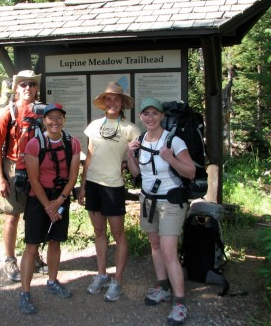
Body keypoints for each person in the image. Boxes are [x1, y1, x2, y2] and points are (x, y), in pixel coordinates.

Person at [126, 97, 195, 326]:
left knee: (168, 252)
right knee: (155, 247)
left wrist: (171, 159)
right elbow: (137, 173)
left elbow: (191, 172)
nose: (150, 118)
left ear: (162, 116)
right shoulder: (140, 140)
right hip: (148, 201)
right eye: (146, 114)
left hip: (171, 202)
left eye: (155, 113)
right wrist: (129, 155)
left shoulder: (174, 141)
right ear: (141, 117)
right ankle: (163, 286)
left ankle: (180, 302)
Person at [78, 81, 140, 302]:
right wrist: (83, 185)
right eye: (108, 99)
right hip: (93, 184)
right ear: (104, 103)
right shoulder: (94, 126)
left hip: (114, 186)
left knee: (118, 234)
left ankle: (118, 281)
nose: (112, 102)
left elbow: (136, 160)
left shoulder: (131, 129)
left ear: (122, 103)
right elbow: (90, 155)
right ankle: (102, 274)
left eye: (116, 99)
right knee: (99, 232)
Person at [18, 103, 81, 314]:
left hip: (60, 199)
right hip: (39, 200)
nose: (55, 121)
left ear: (64, 119)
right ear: (44, 121)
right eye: (50, 118)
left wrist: (60, 200)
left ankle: (52, 281)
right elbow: (34, 180)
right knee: (32, 245)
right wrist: (48, 207)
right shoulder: (34, 144)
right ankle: (25, 293)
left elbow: (73, 176)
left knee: (55, 242)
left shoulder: (73, 143)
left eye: (59, 117)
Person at [0, 70, 47, 282]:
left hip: (38, 168)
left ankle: (32, 256)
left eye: (32, 84)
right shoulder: (7, 113)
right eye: (23, 84)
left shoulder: (42, 112)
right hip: (13, 167)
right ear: (16, 88)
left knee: (34, 214)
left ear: (36, 88)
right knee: (12, 216)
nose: (27, 88)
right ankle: (10, 259)